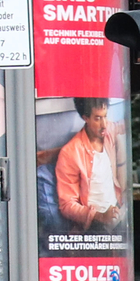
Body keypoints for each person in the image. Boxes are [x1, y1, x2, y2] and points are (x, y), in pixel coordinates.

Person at [52, 99, 120, 231]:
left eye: (105, 116)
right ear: (85, 118)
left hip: (118, 213)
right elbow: (67, 205)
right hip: (95, 225)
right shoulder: (70, 152)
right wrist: (100, 216)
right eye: (98, 118)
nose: (104, 124)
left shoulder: (109, 131)